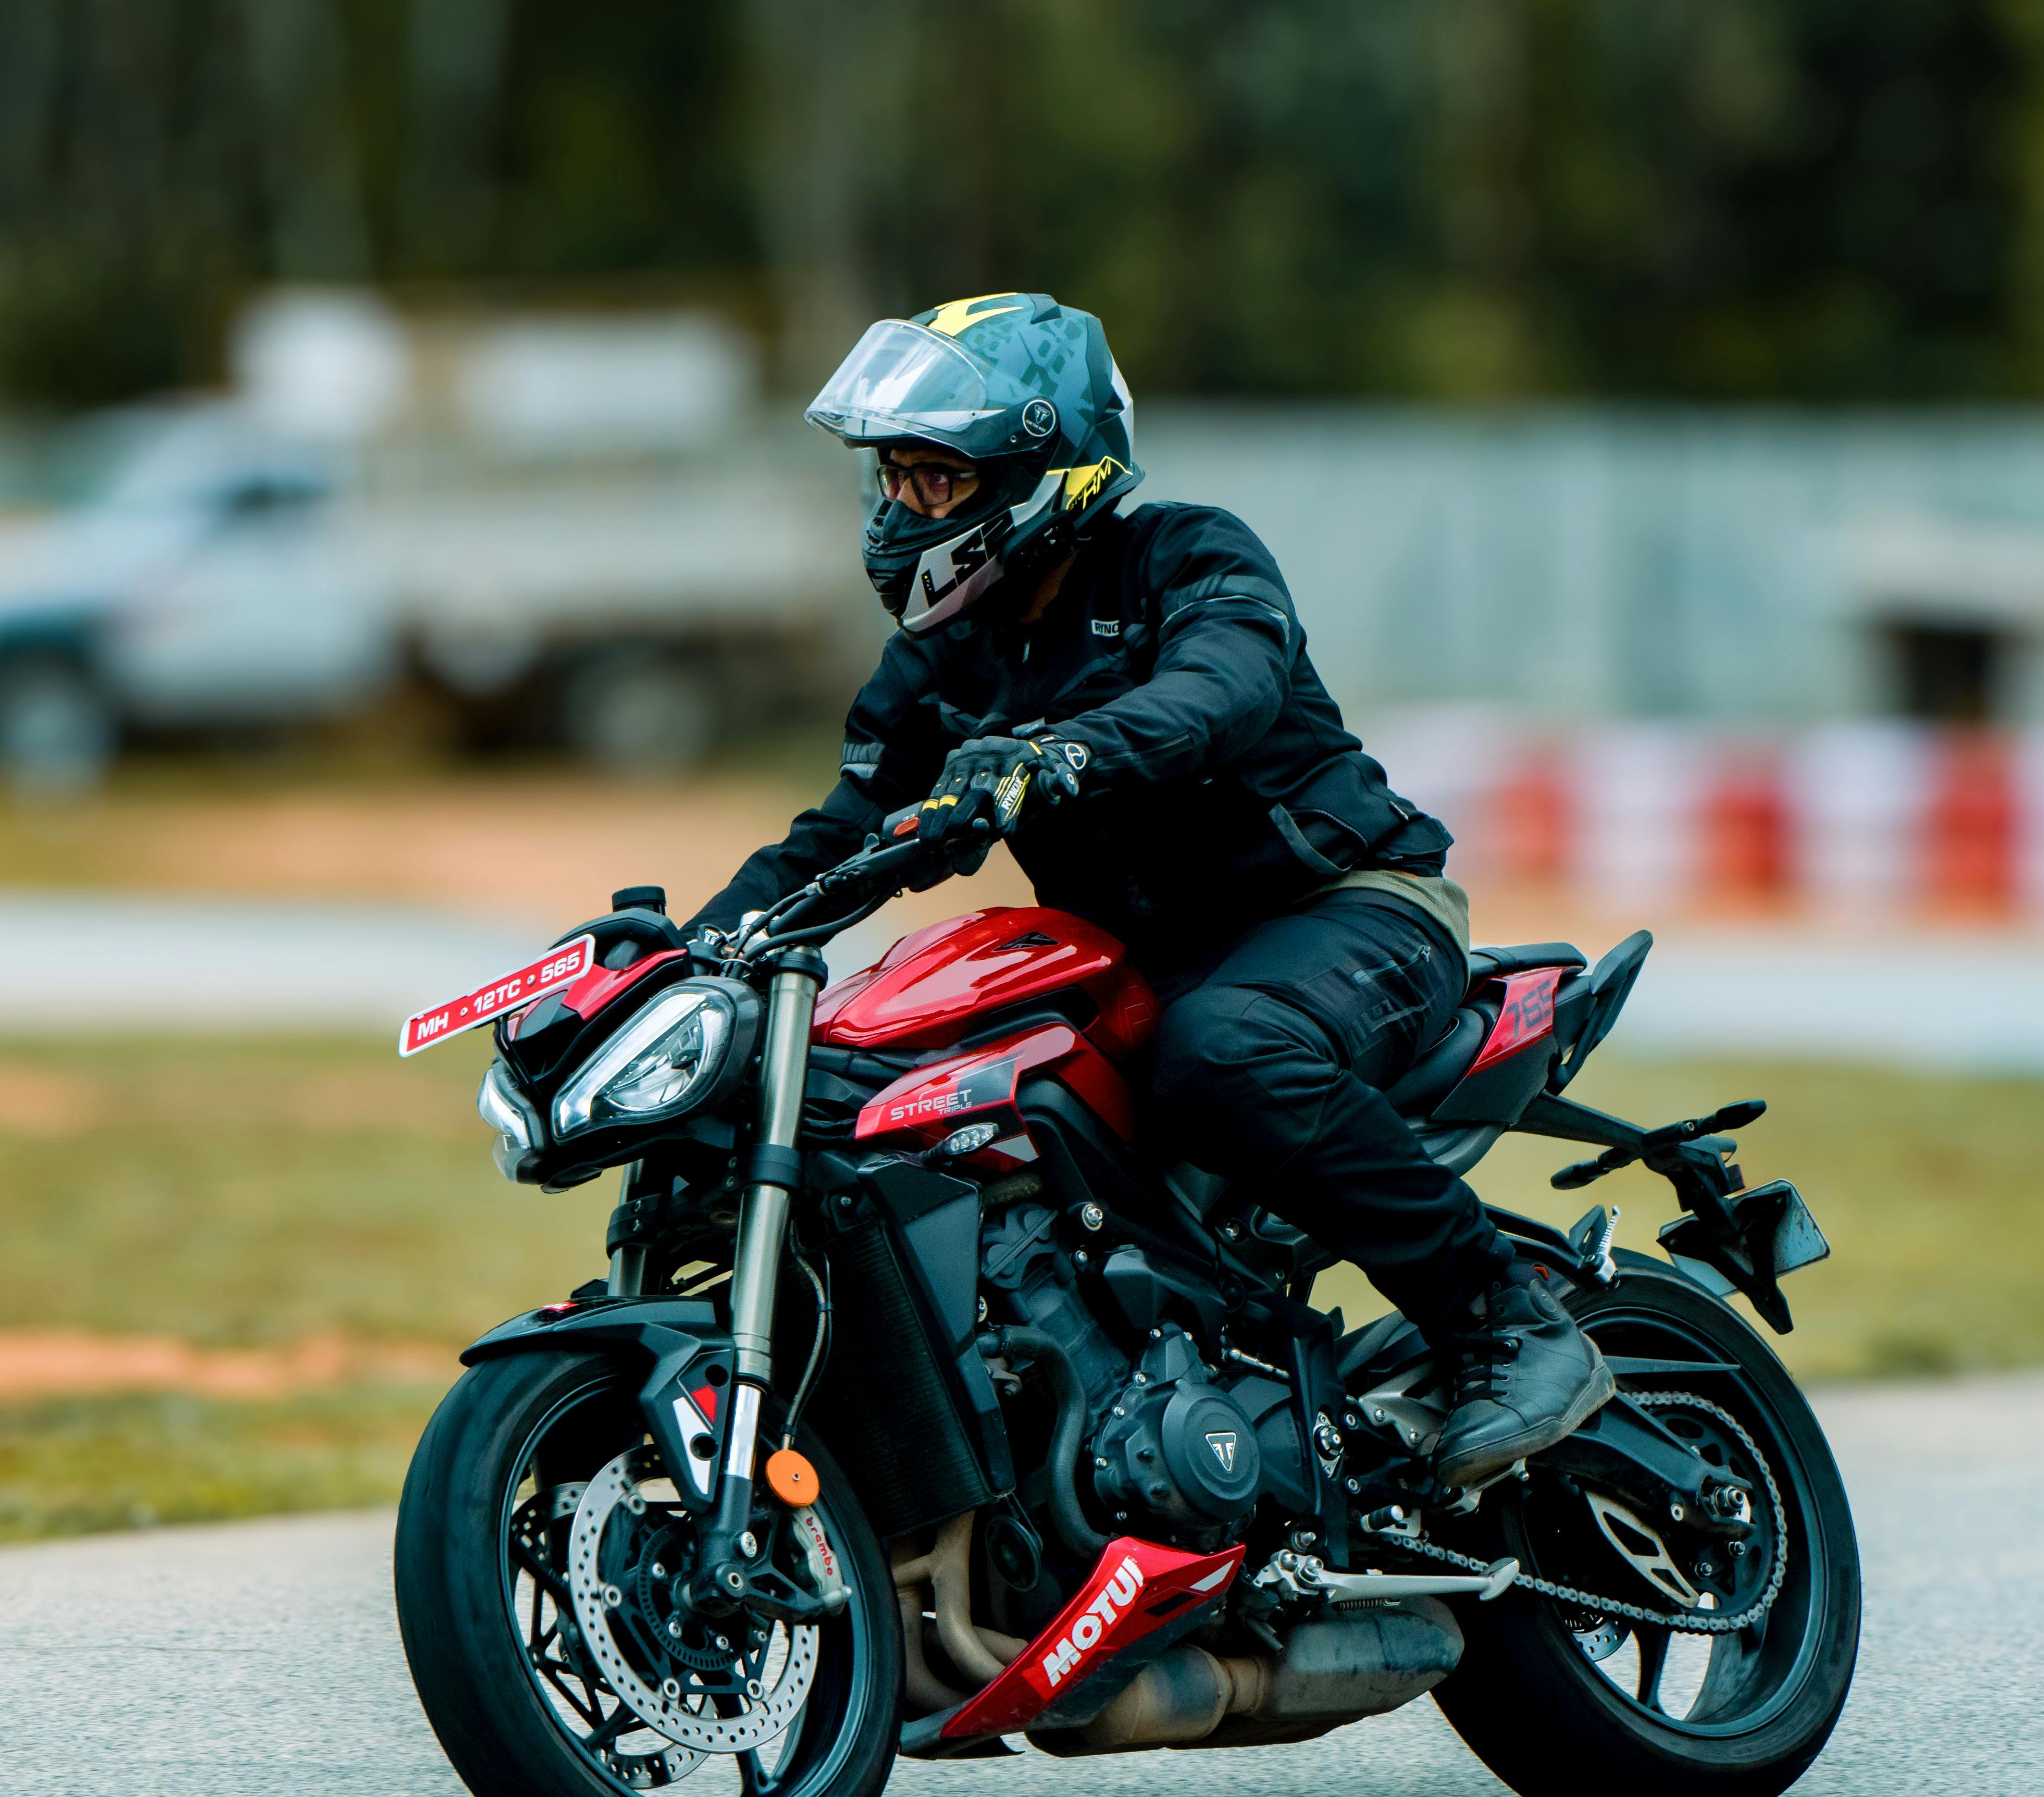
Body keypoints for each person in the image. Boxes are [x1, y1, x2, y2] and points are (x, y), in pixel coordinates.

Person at [689, 293, 1607, 1488]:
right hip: (1141, 967)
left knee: (1221, 1051)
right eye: (894, 481)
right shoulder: (939, 660)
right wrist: (683, 949)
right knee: (916, 1102)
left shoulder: (1188, 555)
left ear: (1038, 471)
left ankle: (1508, 1321)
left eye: (933, 483)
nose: (900, 510)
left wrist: (1049, 757)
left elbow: (1214, 694)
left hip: (1345, 913)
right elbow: (842, 834)